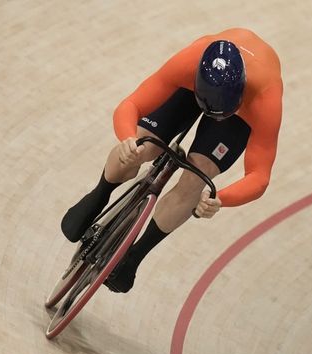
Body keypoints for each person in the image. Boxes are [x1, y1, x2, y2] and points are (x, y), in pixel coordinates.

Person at [60, 28, 283, 293]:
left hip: (240, 113)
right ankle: (100, 193)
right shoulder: (187, 63)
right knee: (142, 145)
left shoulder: (265, 99)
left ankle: (135, 255)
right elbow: (131, 105)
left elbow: (259, 176)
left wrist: (221, 198)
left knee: (196, 179)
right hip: (192, 88)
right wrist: (128, 139)